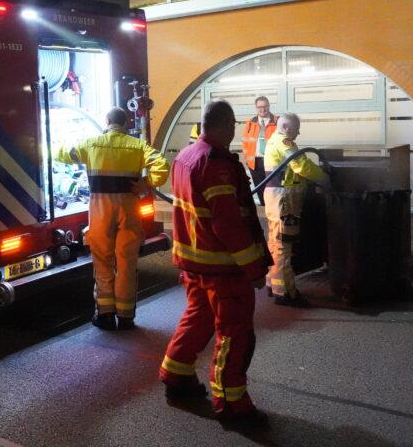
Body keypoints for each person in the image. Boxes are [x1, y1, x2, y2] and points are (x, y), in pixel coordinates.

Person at [159, 100, 271, 426]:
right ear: (225, 126)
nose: (234, 131)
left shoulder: (185, 156)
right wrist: (253, 267)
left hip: (194, 263)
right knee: (235, 334)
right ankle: (232, 402)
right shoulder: (215, 165)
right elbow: (229, 223)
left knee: (197, 319)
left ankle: (175, 373)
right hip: (223, 268)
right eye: (233, 125)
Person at [56, 107, 169, 331]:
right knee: (127, 263)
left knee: (103, 261)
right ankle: (126, 317)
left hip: (100, 208)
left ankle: (105, 314)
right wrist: (147, 184)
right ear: (126, 124)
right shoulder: (137, 146)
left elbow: (61, 153)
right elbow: (162, 165)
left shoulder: (91, 143)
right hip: (128, 208)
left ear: (107, 121)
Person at [262, 112, 331, 307]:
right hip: (285, 201)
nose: (298, 133)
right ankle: (286, 293)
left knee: (275, 242)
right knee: (284, 244)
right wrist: (325, 178)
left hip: (278, 200)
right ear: (287, 128)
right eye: (297, 129)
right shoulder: (284, 142)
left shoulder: (274, 140)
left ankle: (273, 283)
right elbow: (300, 165)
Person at [241, 96, 277, 196]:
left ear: (269, 106)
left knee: (273, 192)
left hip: (272, 162)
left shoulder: (277, 122)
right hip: (254, 163)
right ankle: (263, 208)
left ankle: (272, 211)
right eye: (259, 107)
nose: (262, 109)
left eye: (265, 106)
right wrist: (248, 160)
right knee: (260, 191)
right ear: (256, 108)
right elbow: (245, 142)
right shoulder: (250, 123)